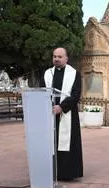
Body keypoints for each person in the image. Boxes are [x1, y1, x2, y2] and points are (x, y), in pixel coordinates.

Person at [40, 47, 83, 181]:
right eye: (54, 56)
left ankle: (67, 173)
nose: (56, 59)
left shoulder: (74, 73)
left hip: (67, 113)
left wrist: (61, 107)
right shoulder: (47, 74)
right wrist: (49, 106)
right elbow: (42, 92)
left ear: (66, 58)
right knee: (51, 143)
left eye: (59, 57)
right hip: (50, 113)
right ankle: (52, 172)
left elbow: (76, 94)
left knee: (67, 142)